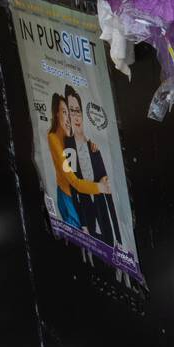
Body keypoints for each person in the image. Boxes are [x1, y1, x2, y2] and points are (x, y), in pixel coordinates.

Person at [64, 85, 120, 246]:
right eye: (72, 111)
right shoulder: (68, 147)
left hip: (102, 209)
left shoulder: (94, 146)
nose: (76, 116)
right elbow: (74, 187)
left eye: (78, 110)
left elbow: (108, 188)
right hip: (85, 214)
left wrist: (119, 236)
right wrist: (82, 224)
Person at [46, 92, 108, 229]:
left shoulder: (69, 139)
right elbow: (74, 181)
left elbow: (78, 169)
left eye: (69, 113)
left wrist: (91, 148)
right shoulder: (53, 139)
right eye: (64, 112)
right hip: (68, 198)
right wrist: (100, 188)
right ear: (56, 114)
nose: (68, 118)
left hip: (76, 198)